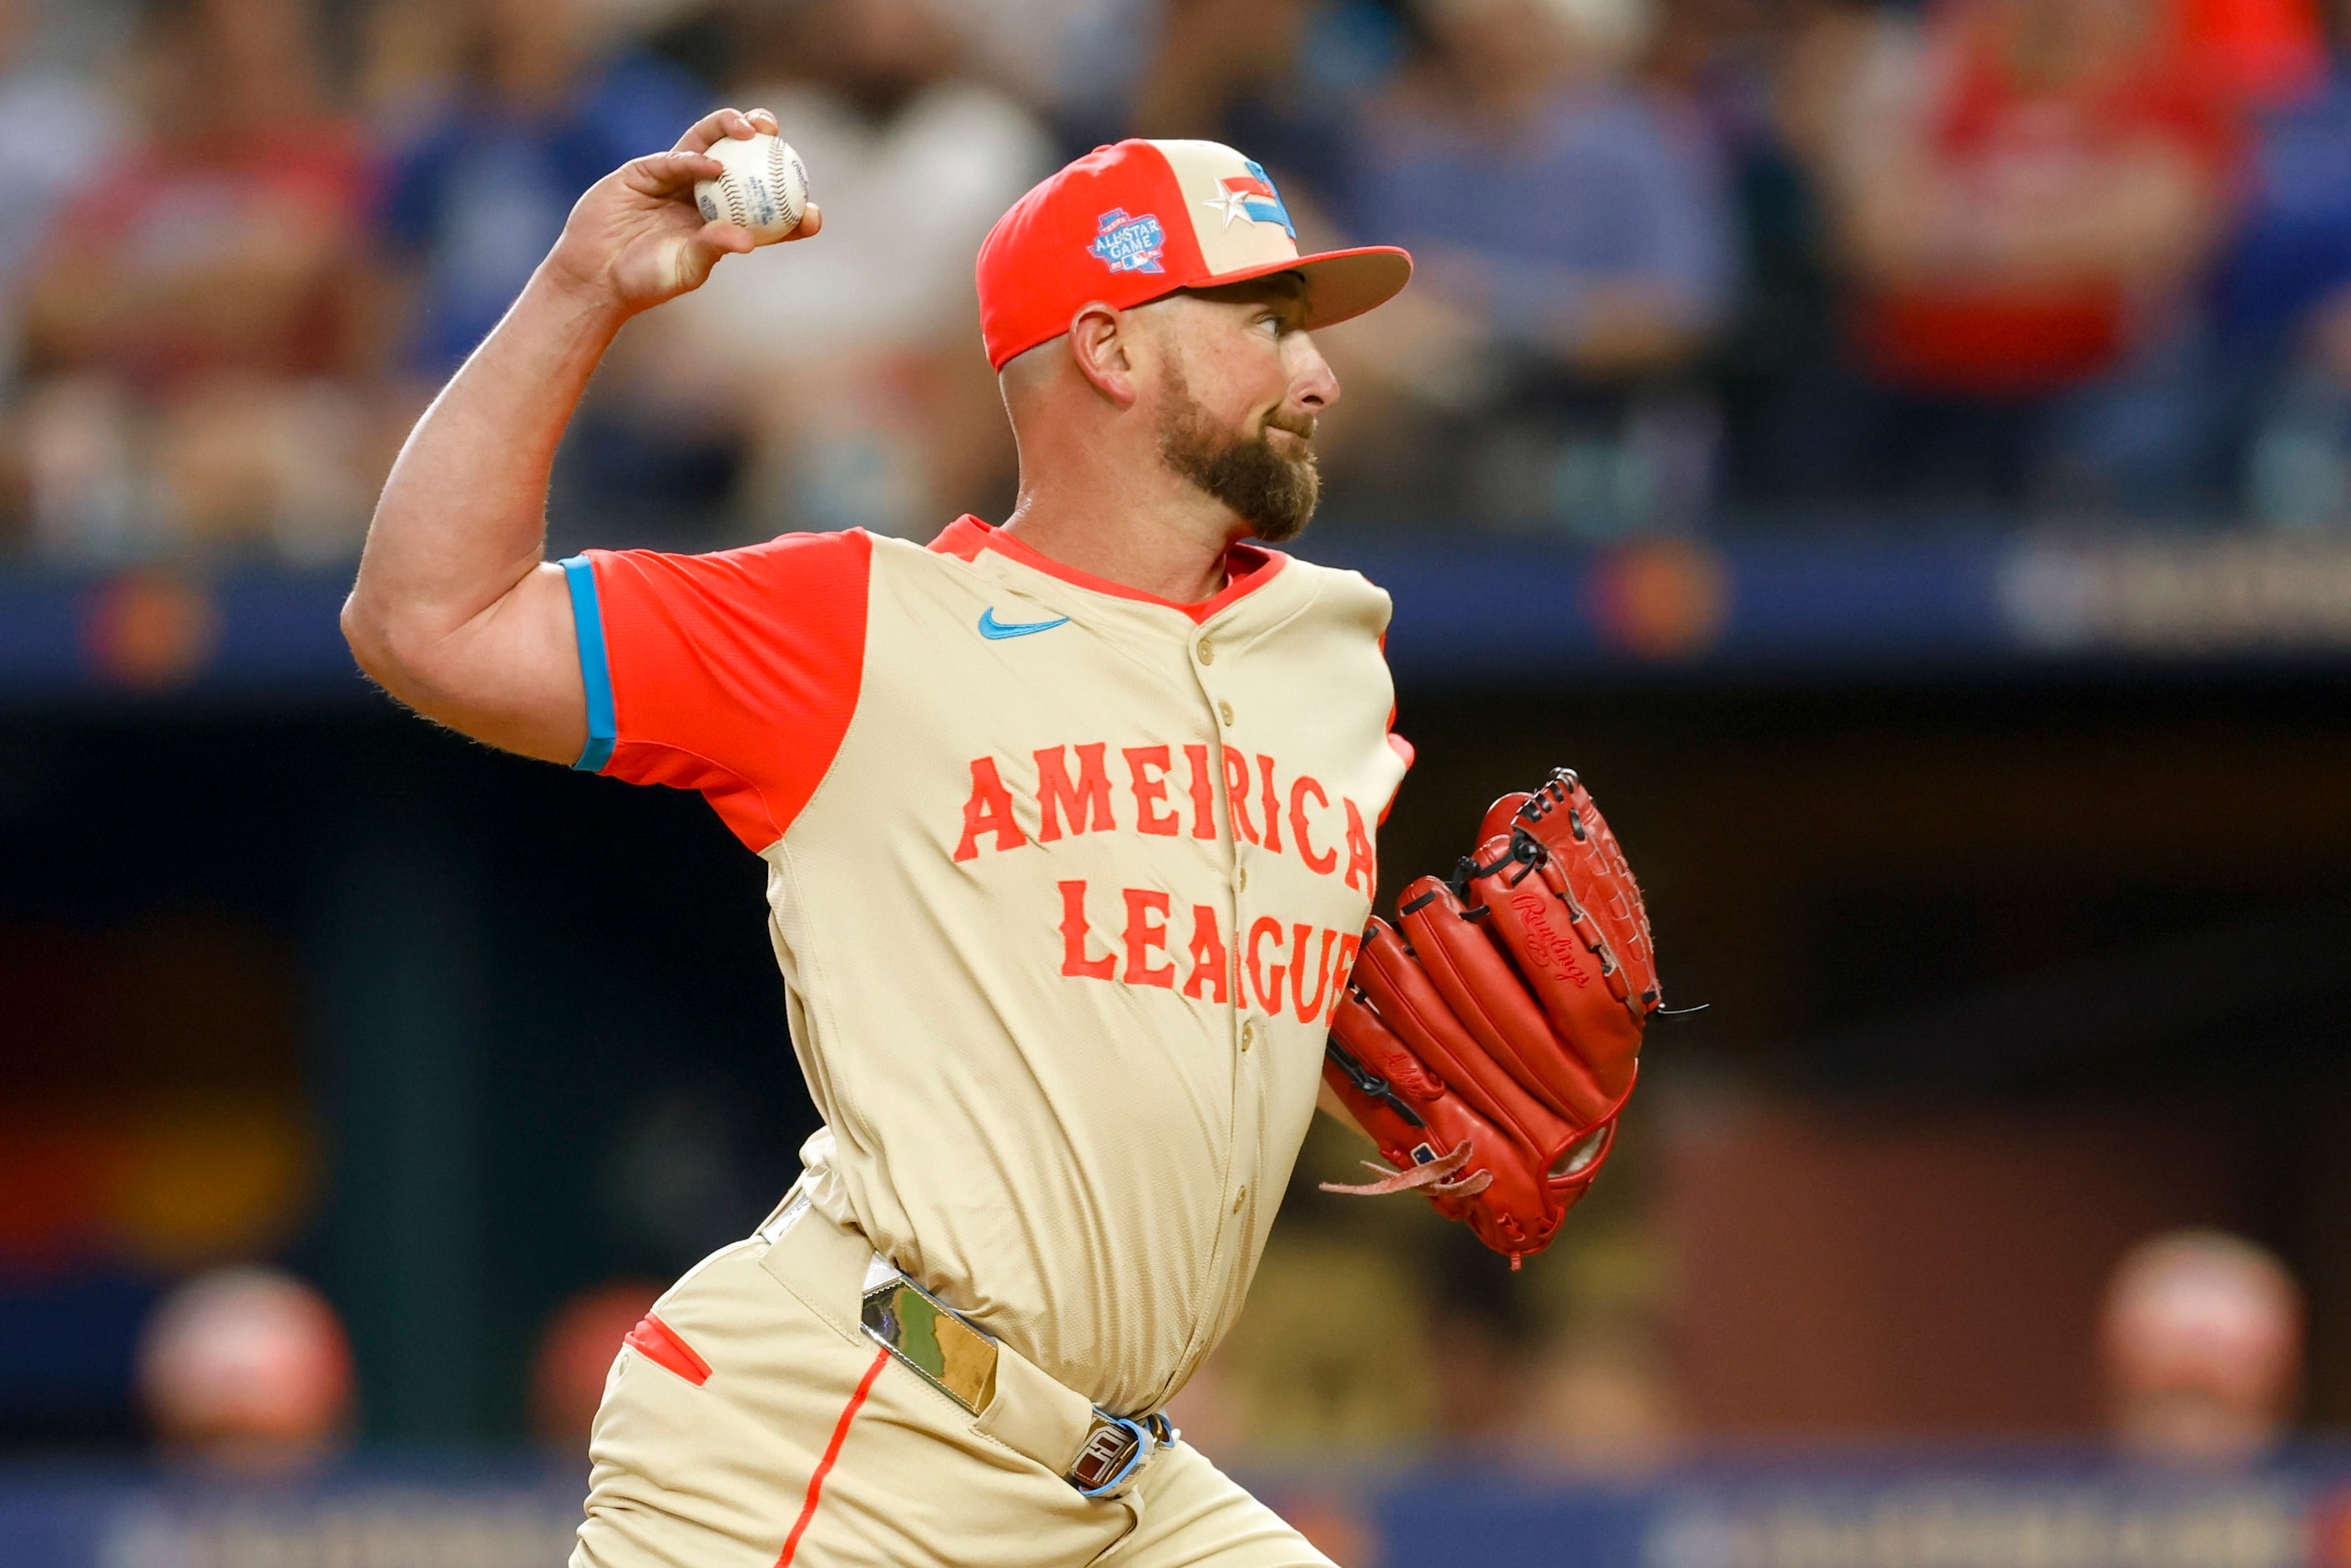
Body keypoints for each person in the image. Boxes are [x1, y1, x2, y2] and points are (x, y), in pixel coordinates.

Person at [341, 109, 1413, 1565]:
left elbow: (1212, 1016)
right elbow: (427, 623)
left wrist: (1431, 1108)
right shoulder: (860, 627)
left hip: (1115, 1484)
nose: (1320, 371)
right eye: (1266, 321)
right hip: (841, 1437)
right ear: (1108, 349)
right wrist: (580, 290)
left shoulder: (1330, 658)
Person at [2101, 1229, 2303, 1464]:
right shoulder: (2057, 1492)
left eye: (2213, 1401)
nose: (2192, 1436)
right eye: (2170, 1398)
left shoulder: (2333, 1497)